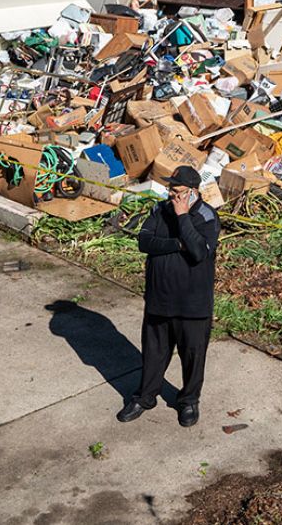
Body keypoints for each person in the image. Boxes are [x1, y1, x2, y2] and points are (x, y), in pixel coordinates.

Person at [117, 165, 219, 427]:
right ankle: (145, 396)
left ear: (193, 192)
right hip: (159, 299)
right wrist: (176, 244)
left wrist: (183, 217)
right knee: (153, 353)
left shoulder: (207, 217)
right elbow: (144, 242)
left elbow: (198, 252)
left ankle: (188, 401)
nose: (171, 195)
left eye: (178, 191)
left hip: (192, 305)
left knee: (193, 356)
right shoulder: (159, 210)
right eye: (170, 189)